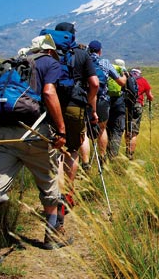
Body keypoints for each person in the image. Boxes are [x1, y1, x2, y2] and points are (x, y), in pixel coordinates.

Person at [0, 34, 72, 256]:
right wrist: (61, 129)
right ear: (50, 50)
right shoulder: (49, 62)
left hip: (3, 133)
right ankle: (52, 235)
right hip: (34, 132)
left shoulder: (14, 64)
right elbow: (49, 92)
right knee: (49, 185)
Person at [53, 22, 99, 214]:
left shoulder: (49, 53)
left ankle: (54, 197)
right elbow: (95, 84)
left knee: (54, 153)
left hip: (51, 108)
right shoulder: (82, 53)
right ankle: (68, 195)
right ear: (72, 35)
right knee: (72, 150)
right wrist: (88, 103)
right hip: (75, 106)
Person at [88, 40, 127, 167]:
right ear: (100, 51)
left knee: (84, 131)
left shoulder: (84, 61)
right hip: (102, 100)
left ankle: (85, 162)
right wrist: (125, 76)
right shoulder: (105, 63)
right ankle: (102, 157)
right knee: (102, 129)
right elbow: (121, 82)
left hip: (86, 99)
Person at [125, 68, 153, 159]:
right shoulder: (143, 80)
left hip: (126, 105)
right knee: (134, 133)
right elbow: (150, 96)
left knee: (128, 130)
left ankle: (126, 151)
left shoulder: (127, 78)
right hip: (137, 105)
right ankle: (131, 154)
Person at [106, 59, 127, 159]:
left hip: (106, 103)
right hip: (119, 106)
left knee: (106, 130)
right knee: (117, 131)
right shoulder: (124, 75)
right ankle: (113, 156)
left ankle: (103, 155)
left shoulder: (107, 71)